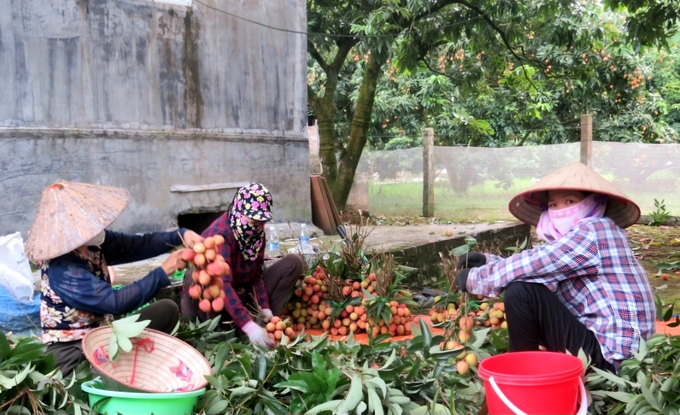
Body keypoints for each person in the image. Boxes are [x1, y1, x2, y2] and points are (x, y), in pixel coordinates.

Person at [455, 162, 655, 372]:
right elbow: (544, 271)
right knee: (526, 288)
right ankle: (527, 367)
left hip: (614, 360)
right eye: (553, 205)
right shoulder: (588, 238)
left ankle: (522, 372)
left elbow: (538, 262)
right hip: (616, 353)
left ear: (595, 203)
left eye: (570, 201)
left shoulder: (595, 230)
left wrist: (478, 277)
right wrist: (489, 262)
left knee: (521, 293)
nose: (561, 210)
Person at [24, 181, 203, 377]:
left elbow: (137, 245)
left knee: (166, 310)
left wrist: (180, 235)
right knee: (94, 377)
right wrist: (163, 271)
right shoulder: (63, 268)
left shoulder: (92, 244)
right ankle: (113, 373)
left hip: (106, 336)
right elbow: (115, 303)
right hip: (73, 353)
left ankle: (122, 366)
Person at [181, 183, 304, 349]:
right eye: (254, 221)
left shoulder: (256, 234)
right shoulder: (220, 236)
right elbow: (222, 286)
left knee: (293, 263)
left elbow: (257, 274)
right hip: (213, 305)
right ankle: (226, 334)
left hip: (242, 295)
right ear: (238, 212)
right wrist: (249, 326)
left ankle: (264, 326)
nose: (259, 227)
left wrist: (265, 308)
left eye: (262, 222)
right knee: (201, 277)